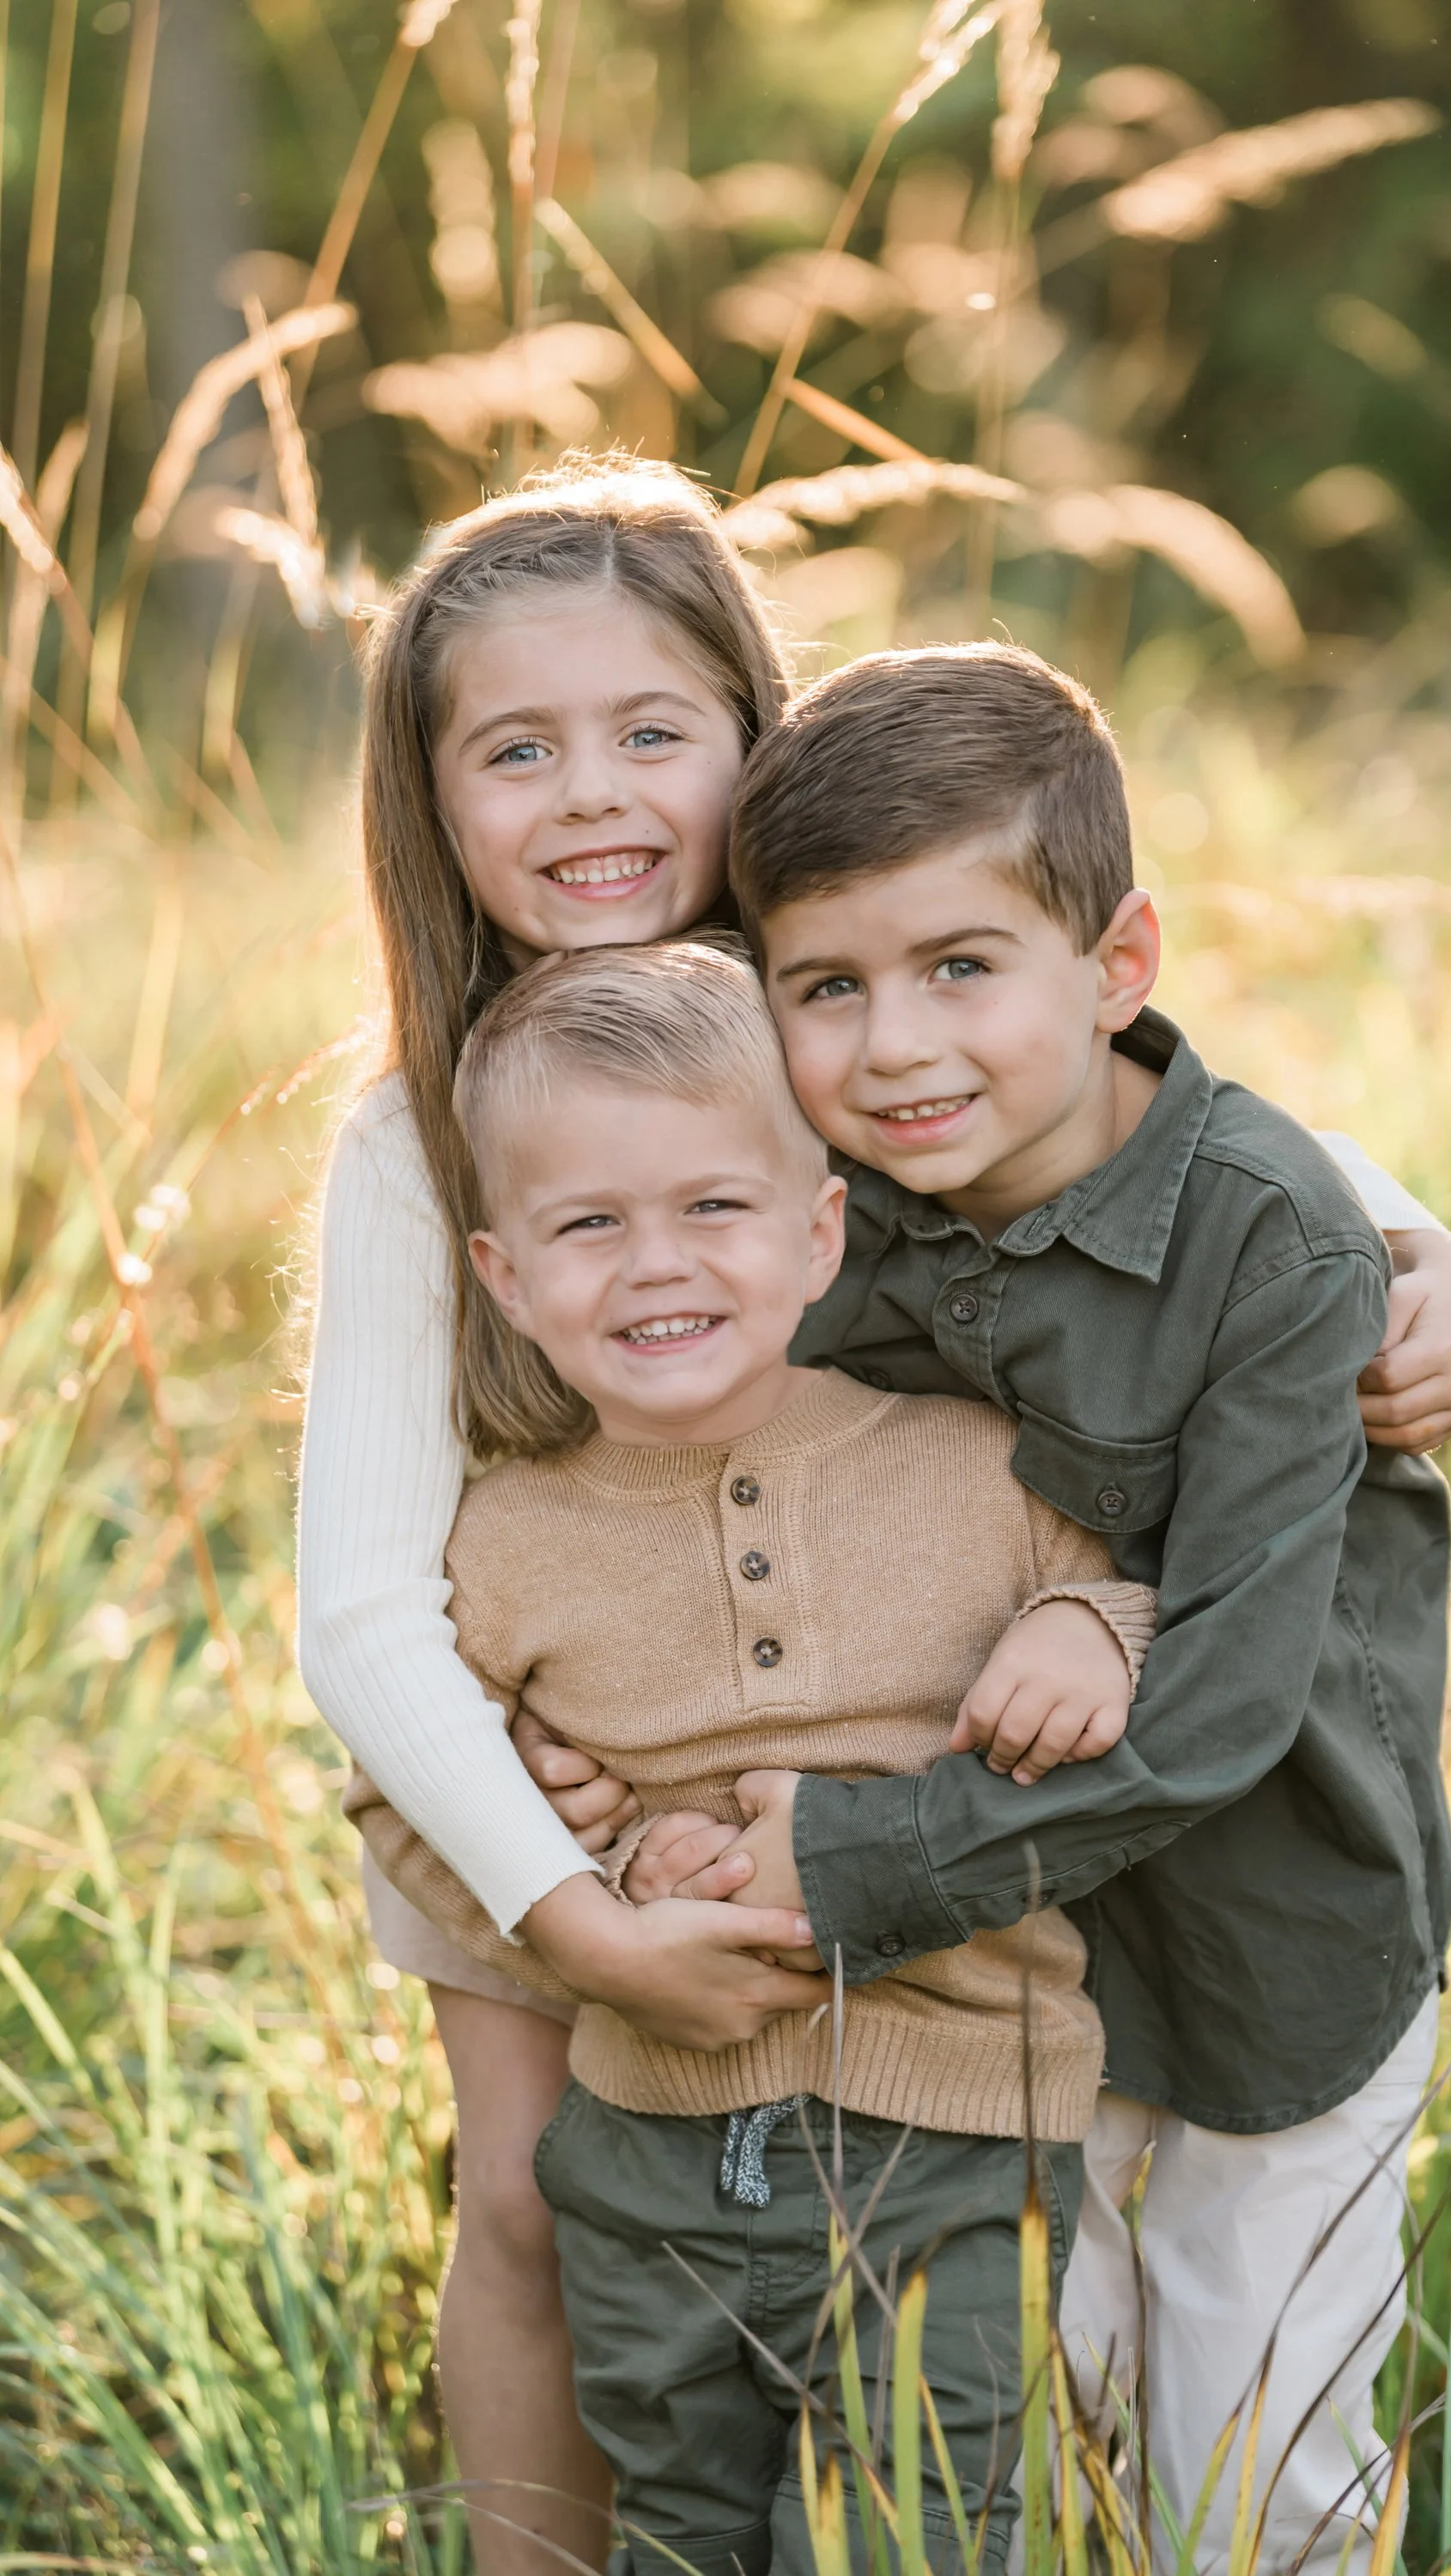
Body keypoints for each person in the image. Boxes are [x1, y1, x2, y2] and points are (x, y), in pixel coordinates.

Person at [296, 452, 1451, 2571]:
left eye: (654, 733)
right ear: (428, 794)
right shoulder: (418, 1126)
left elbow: (1139, 1133)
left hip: (891, 1717)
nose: (592, 797)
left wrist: (1409, 1239)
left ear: (758, 748)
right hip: (540, 1747)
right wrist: (549, 1874)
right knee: (534, 2193)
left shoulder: (831, 1001)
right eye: (517, 749)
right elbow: (367, 1610)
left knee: (971, 2281)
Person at [627, 640, 1451, 2574]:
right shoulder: (840, 1222)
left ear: (1119, 964)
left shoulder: (1271, 1236)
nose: (893, 1046)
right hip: (1003, 1989)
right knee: (1027, 2449)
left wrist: (848, 1856)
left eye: (959, 969)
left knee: (1252, 2488)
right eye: (825, 988)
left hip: (1275, 1955)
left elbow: (1231, 1701)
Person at [347, 939, 1162, 2576]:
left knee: (911, 2536)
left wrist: (1091, 1628)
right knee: (684, 2531)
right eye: (589, 1226)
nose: (657, 1265)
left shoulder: (975, 1462)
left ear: (819, 1231)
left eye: (714, 1208)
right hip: (650, 2157)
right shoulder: (502, 1541)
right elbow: (399, 1790)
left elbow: (1132, 1594)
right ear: (504, 1279)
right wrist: (579, 1866)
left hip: (957, 2135)